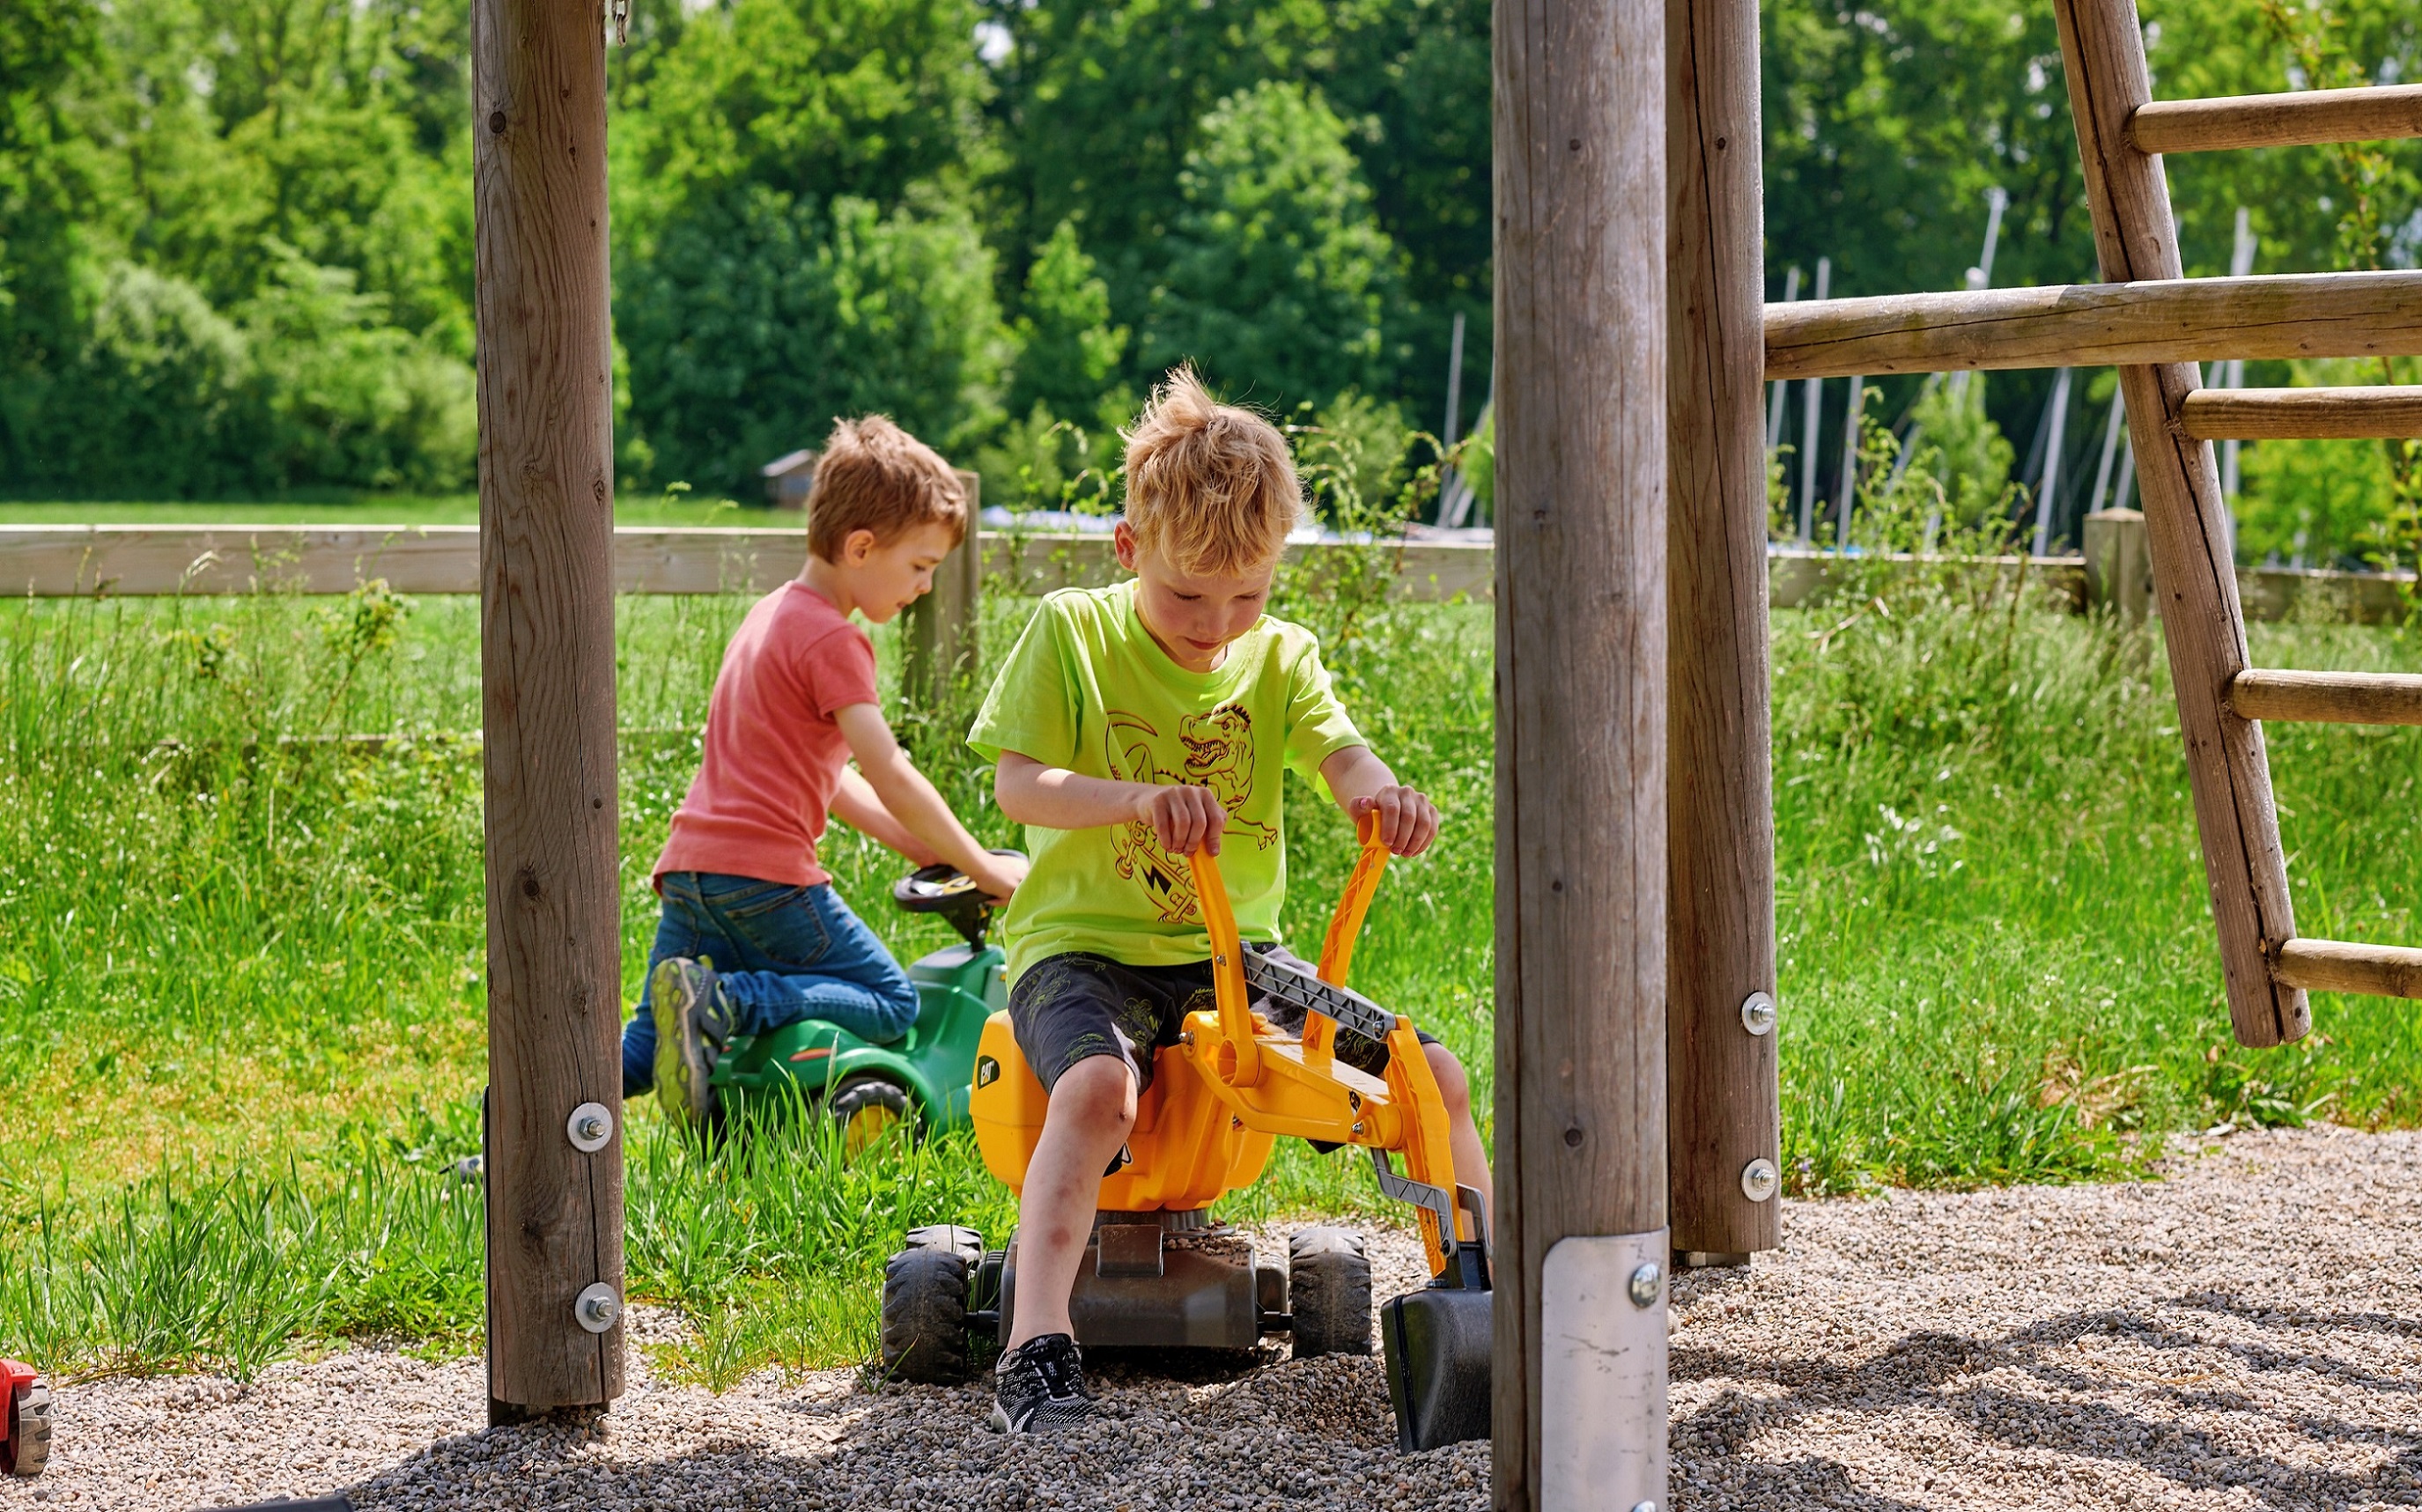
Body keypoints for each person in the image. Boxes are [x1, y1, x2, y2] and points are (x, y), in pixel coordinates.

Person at [965, 368, 1492, 1435]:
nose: (1215, 626)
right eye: (1185, 597)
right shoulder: (1071, 633)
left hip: (1233, 958)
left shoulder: (1281, 656)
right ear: (1128, 548)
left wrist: (1381, 797)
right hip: (1083, 951)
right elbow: (1018, 784)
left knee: (1426, 1072)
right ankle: (1034, 1346)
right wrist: (1135, 798)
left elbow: (1342, 756)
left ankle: (1486, 1298)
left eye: (1246, 596)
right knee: (1096, 1090)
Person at [623, 417, 1026, 1128]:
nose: (926, 586)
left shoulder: (769, 616)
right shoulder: (835, 640)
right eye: (920, 566)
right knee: (893, 1002)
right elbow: (889, 768)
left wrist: (922, 849)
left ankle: (516, 1130)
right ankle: (731, 1003)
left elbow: (831, 780)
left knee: (646, 1041)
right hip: (767, 881)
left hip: (691, 873)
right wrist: (983, 867)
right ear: (861, 547)